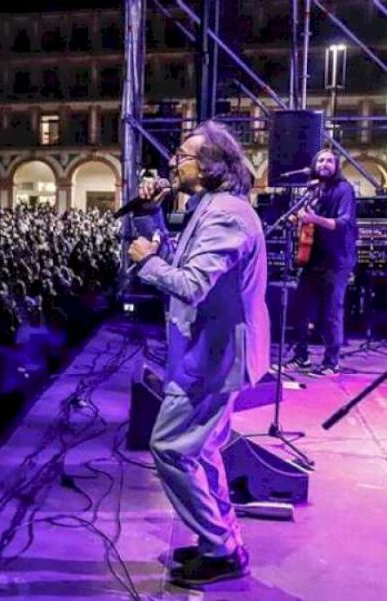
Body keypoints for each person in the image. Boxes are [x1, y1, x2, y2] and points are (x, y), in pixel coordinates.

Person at [129, 120, 269, 586]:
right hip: (207, 354)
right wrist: (151, 216)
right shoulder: (210, 207)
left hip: (215, 357)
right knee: (201, 451)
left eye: (184, 155)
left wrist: (145, 264)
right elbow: (184, 262)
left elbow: (190, 284)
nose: (174, 161)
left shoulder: (226, 214)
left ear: (212, 165)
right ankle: (221, 540)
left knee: (169, 446)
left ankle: (221, 548)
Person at [282, 149, 358, 376]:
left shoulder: (344, 190)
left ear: (336, 166)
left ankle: (331, 363)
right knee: (300, 310)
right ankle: (301, 357)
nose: (324, 164)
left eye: (329, 161)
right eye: (321, 160)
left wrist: (314, 219)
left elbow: (344, 223)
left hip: (337, 259)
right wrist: (296, 220)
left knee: (331, 313)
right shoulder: (313, 190)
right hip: (313, 258)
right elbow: (307, 225)